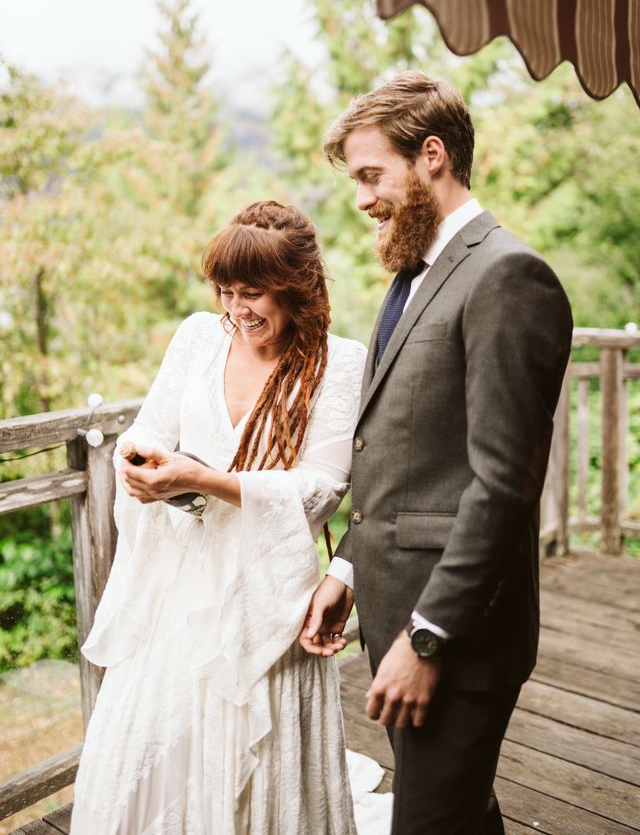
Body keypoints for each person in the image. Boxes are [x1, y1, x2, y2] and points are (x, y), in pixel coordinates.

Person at [301, 72, 573, 835]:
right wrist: (348, 568)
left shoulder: (507, 276)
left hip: (456, 640)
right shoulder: (415, 277)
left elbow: (502, 486)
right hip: (395, 616)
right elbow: (407, 456)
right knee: (458, 818)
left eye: (370, 175)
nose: (361, 199)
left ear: (431, 156)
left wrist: (428, 639)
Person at [70, 200, 369, 835]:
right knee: (157, 752)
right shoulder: (197, 337)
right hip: (176, 593)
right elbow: (152, 424)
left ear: (298, 288)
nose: (237, 309)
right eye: (227, 291)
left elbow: (321, 489)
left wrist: (203, 479)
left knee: (253, 775)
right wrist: (139, 459)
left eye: (254, 293)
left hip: (267, 597)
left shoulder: (338, 363)